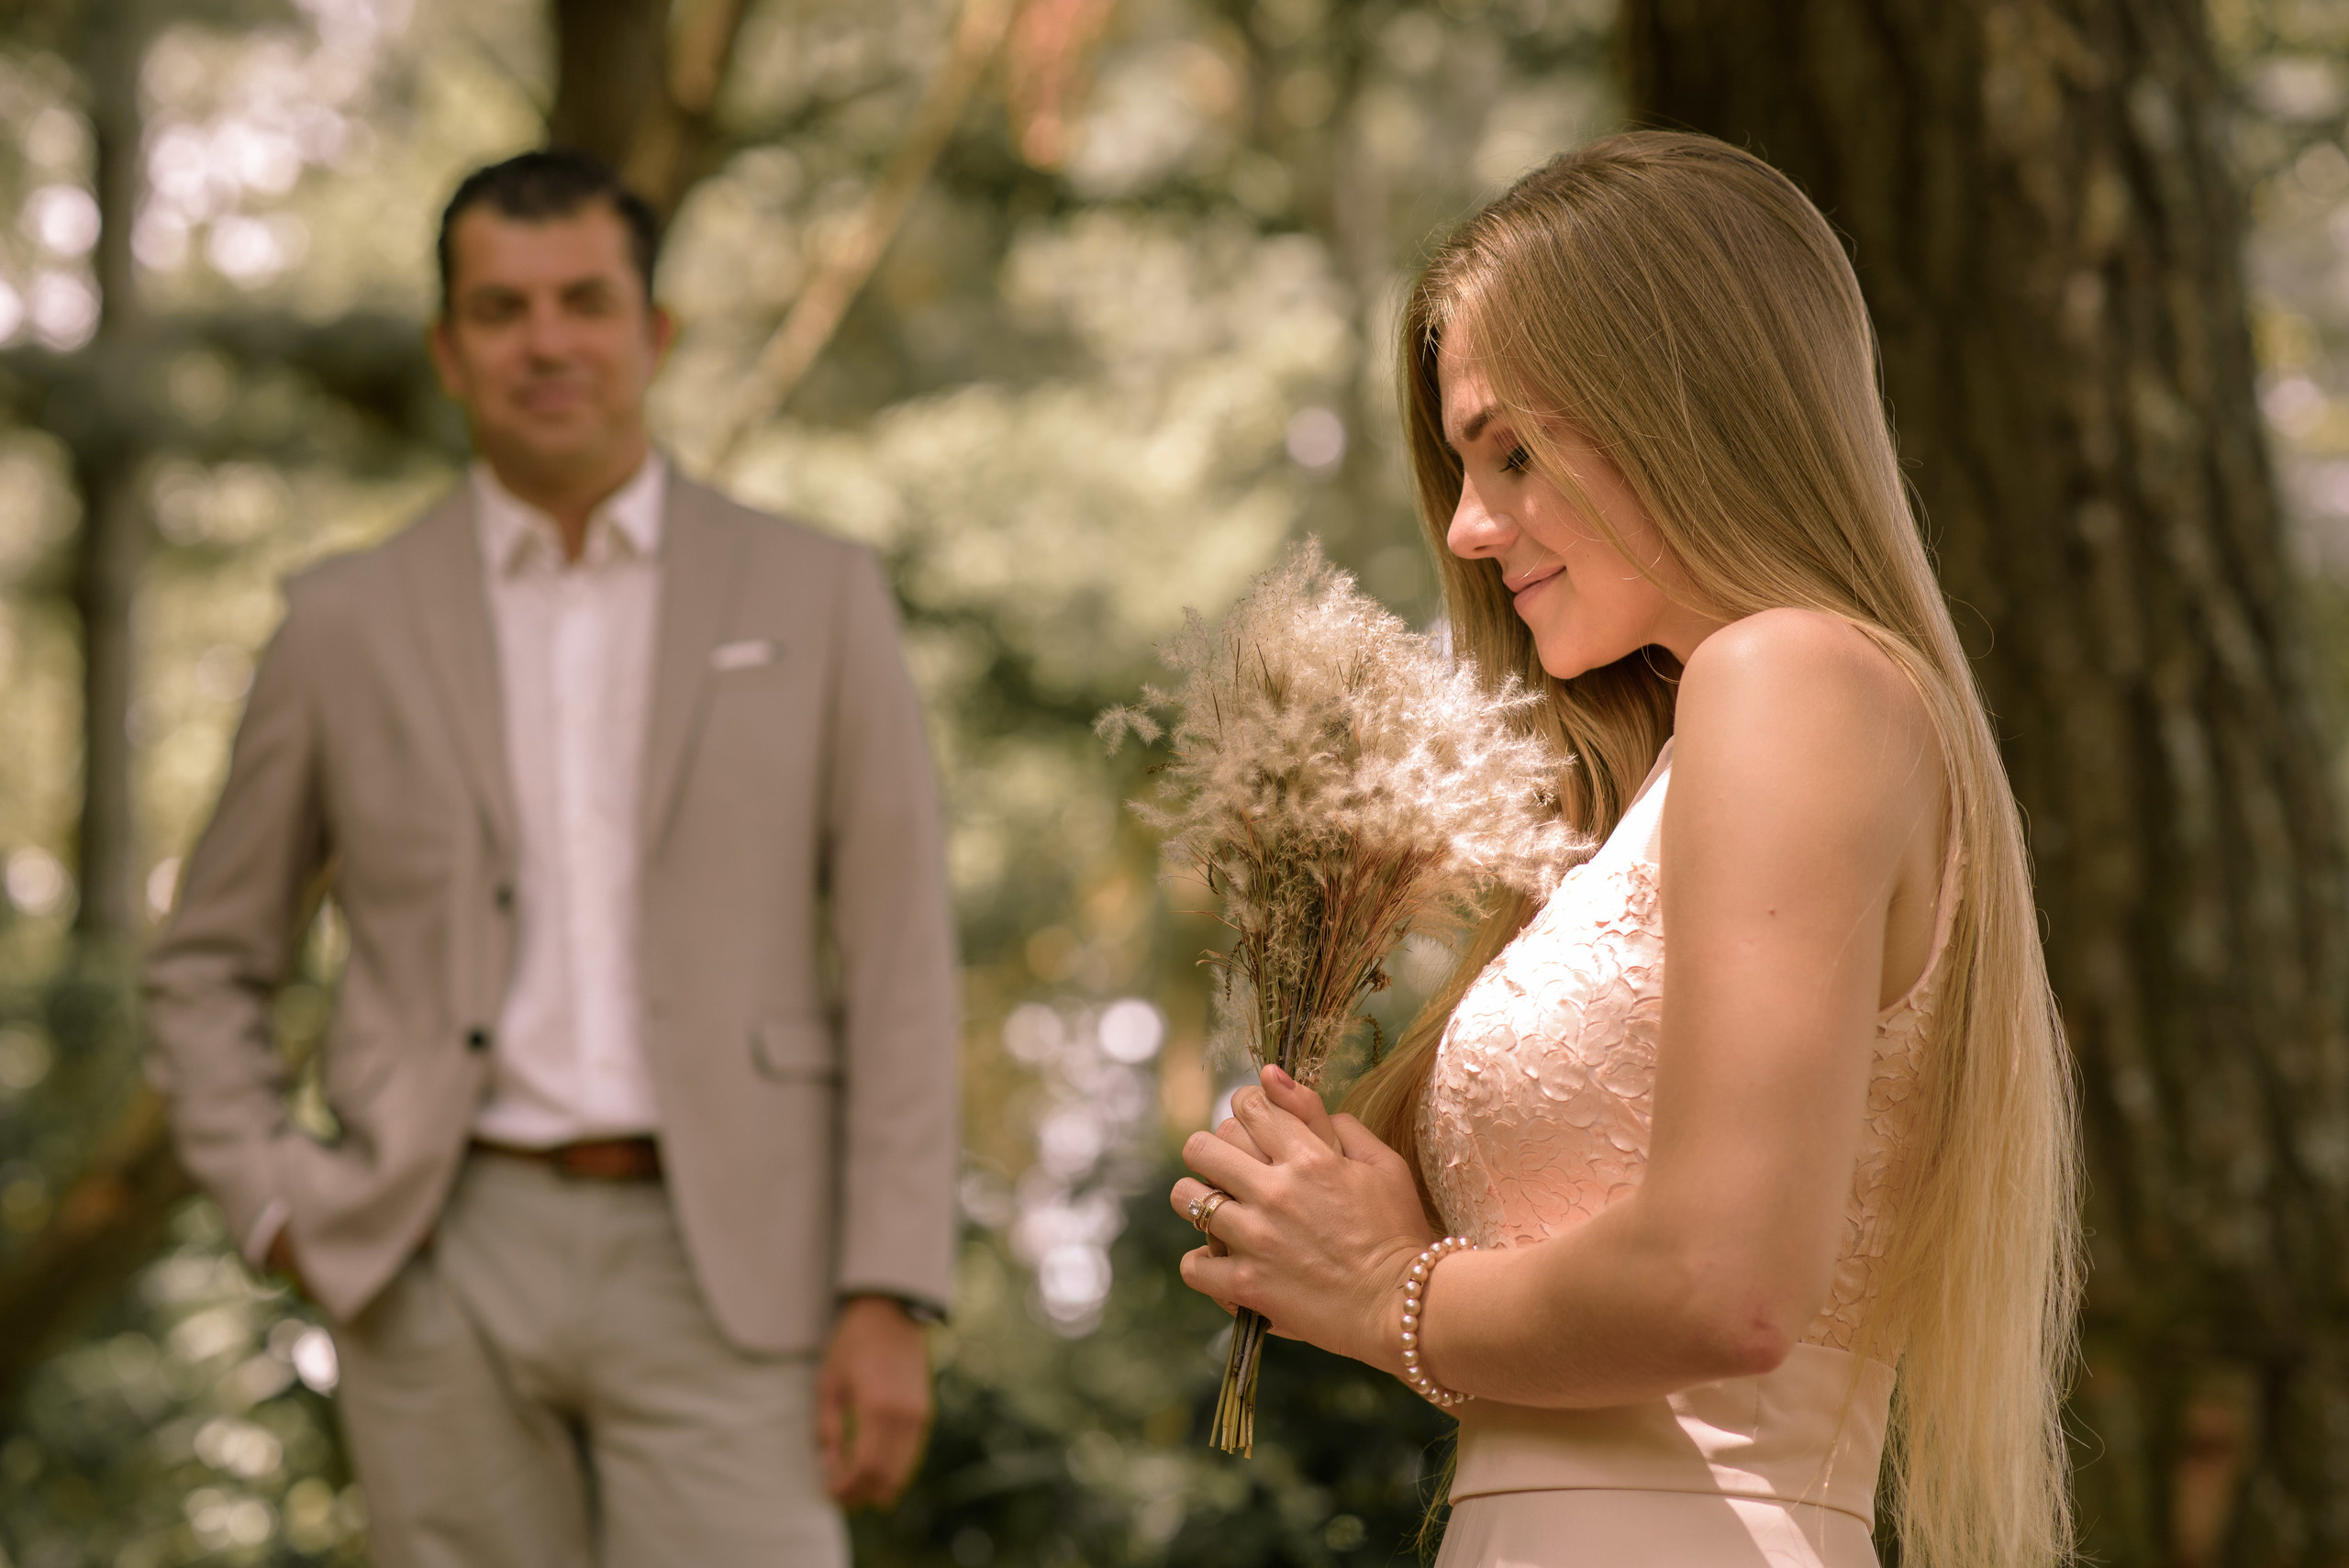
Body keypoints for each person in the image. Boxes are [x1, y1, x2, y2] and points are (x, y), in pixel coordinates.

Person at [1169, 131, 2080, 1568]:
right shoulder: (1710, 752)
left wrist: (1389, 1285)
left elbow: (1725, 1286)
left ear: (1683, 405)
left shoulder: (1791, 677)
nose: (1468, 527)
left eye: (1513, 450)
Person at [145, 149, 960, 1568]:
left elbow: (900, 961)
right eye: (502, 309)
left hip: (732, 1257)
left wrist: (889, 1285)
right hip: (435, 1247)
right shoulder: (341, 622)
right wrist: (277, 1199)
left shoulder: (817, 593)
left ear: (652, 333)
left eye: (584, 300)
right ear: (449, 351)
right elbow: (210, 958)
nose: (546, 340)